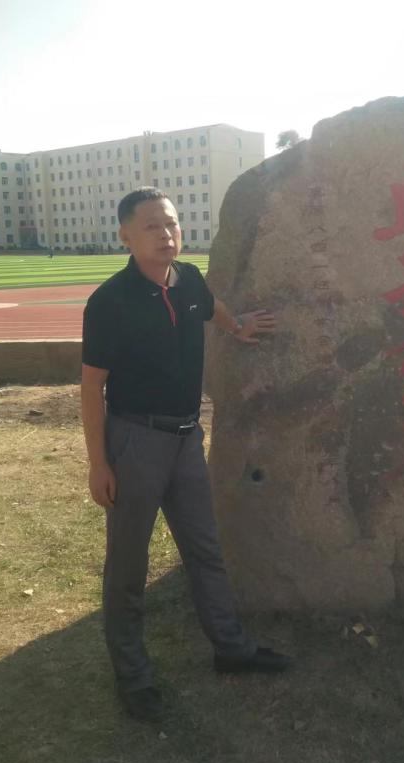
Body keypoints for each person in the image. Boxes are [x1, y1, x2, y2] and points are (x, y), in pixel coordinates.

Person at [81, 187, 291, 723]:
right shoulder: (109, 302)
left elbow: (213, 309)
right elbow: (91, 388)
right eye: (151, 226)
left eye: (171, 223)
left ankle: (232, 649)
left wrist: (238, 326)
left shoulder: (190, 280)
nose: (166, 234)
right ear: (126, 236)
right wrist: (99, 463)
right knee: (128, 566)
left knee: (205, 549)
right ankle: (134, 678)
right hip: (135, 442)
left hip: (186, 439)